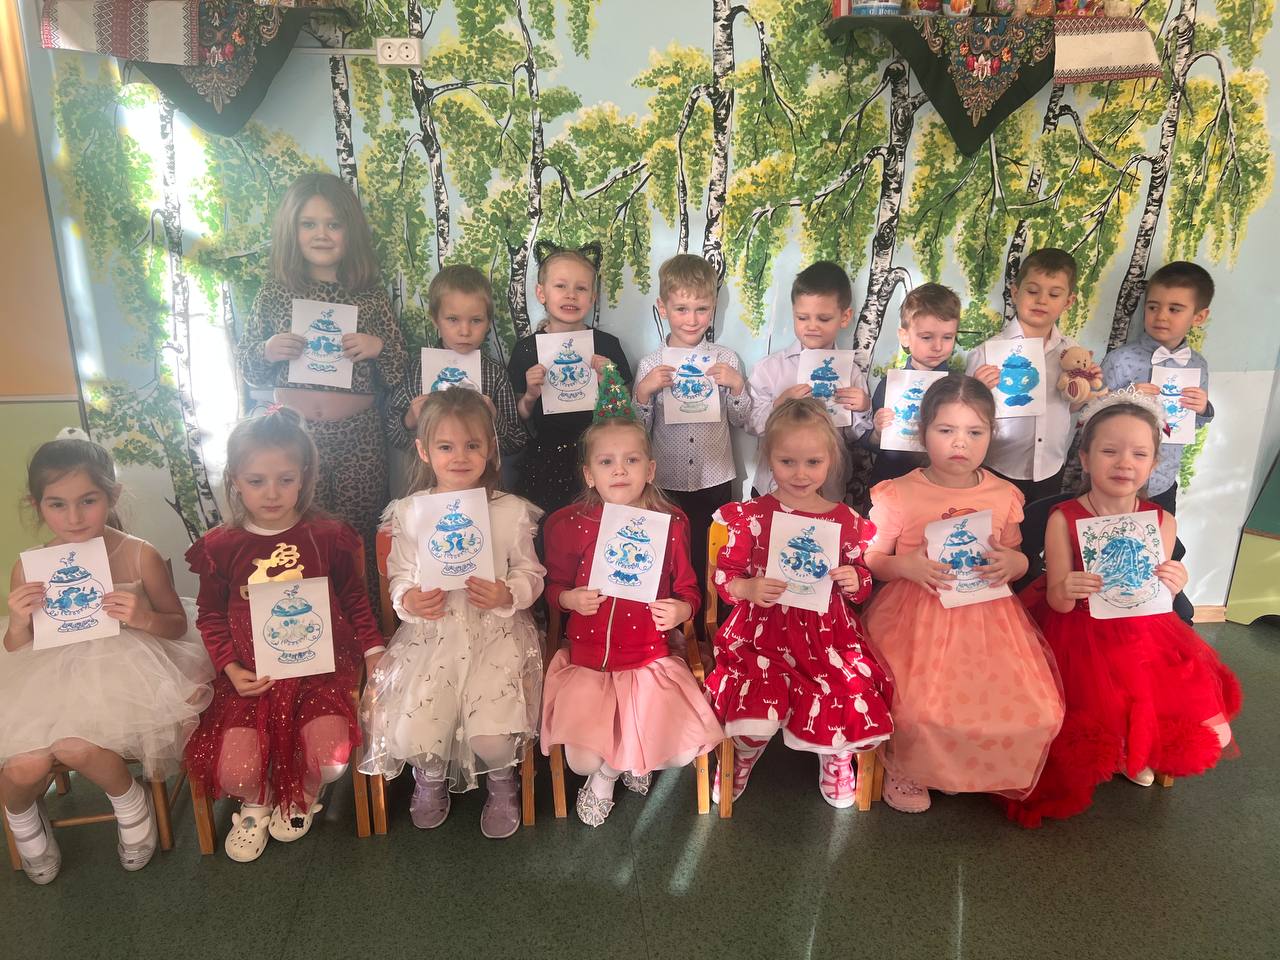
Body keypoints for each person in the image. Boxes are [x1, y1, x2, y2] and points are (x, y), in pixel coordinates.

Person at [1002, 390, 1241, 828]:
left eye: (1139, 454)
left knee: (1148, 675)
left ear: (1153, 464)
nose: (1124, 463)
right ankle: (1113, 748)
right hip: (1076, 626)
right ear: (1086, 458)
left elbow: (1157, 598)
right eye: (1109, 451)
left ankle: (1138, 746)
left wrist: (1175, 581)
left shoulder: (1161, 521)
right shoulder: (1063, 517)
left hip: (1142, 626)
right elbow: (1056, 598)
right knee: (1090, 689)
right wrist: (1067, 587)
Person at [1, 431, 212, 883]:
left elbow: (177, 624)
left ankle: (130, 802)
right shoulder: (30, 565)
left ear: (112, 496)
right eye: (57, 504)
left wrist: (142, 617)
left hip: (124, 671)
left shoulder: (138, 554)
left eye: (88, 500)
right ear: (37, 505)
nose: (74, 517)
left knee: (75, 746)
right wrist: (18, 623)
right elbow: (16, 646)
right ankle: (22, 818)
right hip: (44, 677)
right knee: (24, 764)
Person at [184, 409, 383, 862]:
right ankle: (257, 800)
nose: (271, 493)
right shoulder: (221, 545)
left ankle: (304, 791)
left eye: (285, 480)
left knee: (331, 761)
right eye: (256, 481)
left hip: (319, 672)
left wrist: (373, 647)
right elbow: (210, 615)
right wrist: (230, 668)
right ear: (235, 480)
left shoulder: (327, 536)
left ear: (304, 477)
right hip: (252, 676)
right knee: (236, 774)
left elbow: (355, 599)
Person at [862, 375, 1064, 813]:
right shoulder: (900, 492)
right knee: (916, 705)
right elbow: (873, 557)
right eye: (946, 430)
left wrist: (1015, 564)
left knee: (1015, 703)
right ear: (923, 432)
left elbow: (1014, 555)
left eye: (975, 432)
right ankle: (908, 768)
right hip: (915, 613)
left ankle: (954, 764)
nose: (960, 443)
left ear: (992, 434)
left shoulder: (1004, 494)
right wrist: (904, 565)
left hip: (987, 613)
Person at [539, 366, 723, 827]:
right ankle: (624, 759)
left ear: (650, 469)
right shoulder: (570, 524)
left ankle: (610, 771)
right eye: (606, 462)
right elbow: (553, 587)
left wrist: (682, 608)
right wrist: (569, 600)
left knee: (680, 752)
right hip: (590, 662)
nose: (619, 470)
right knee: (579, 758)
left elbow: (688, 588)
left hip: (647, 659)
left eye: (632, 460)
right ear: (589, 473)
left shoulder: (671, 523)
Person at [359, 390, 544, 839]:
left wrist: (508, 592)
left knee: (492, 736)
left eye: (472, 445)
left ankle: (502, 780)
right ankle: (429, 776)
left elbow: (531, 573)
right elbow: (399, 575)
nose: (459, 457)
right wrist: (408, 600)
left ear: (490, 449)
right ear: (424, 451)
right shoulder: (410, 512)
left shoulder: (509, 511)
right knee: (416, 731)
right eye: (446, 446)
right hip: (432, 633)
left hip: (495, 632)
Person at [705, 397, 893, 809]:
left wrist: (854, 580)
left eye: (813, 462)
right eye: (787, 461)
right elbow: (725, 576)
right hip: (762, 632)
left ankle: (836, 757)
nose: (800, 473)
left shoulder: (846, 521)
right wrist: (747, 589)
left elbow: (862, 582)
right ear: (769, 459)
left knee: (842, 688)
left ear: (830, 461)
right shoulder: (753, 516)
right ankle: (744, 755)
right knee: (755, 701)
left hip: (827, 635)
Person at [234, 172, 408, 599]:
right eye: (309, 224)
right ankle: (305, 621)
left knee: (358, 537)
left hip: (359, 440)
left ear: (350, 231)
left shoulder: (368, 296)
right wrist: (268, 351)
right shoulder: (276, 292)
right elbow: (249, 369)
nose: (322, 234)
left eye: (333, 224)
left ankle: (364, 622)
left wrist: (378, 347)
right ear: (292, 231)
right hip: (293, 439)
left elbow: (398, 372)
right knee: (295, 534)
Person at [633, 253, 751, 603]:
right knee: (670, 556)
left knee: (711, 555)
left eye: (701, 309)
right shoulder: (650, 364)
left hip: (715, 479)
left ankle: (706, 619)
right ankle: (673, 618)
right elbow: (638, 432)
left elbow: (741, 421)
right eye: (682, 309)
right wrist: (643, 393)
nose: (692, 319)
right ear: (663, 308)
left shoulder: (726, 359)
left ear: (712, 308)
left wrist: (738, 386)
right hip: (666, 480)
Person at [507, 242, 631, 515]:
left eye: (581, 288)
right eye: (561, 286)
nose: (571, 295)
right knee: (549, 528)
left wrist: (609, 382)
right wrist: (530, 395)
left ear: (593, 297)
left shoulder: (607, 345)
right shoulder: (526, 350)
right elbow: (520, 416)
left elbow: (626, 412)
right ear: (541, 293)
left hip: (602, 457)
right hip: (546, 459)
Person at [384, 265, 527, 496]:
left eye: (476, 320)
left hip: (482, 489)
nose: (464, 331)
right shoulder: (417, 370)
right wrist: (410, 419)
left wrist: (494, 416)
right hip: (427, 487)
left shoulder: (495, 374)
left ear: (488, 322)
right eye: (453, 319)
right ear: (435, 320)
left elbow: (515, 443)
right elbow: (393, 436)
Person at [966, 248, 1095, 502]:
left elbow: (1071, 407)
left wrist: (1084, 387)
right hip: (998, 467)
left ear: (1068, 302)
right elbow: (966, 415)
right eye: (1033, 291)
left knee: (1038, 525)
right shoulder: (987, 353)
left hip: (1050, 468)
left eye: (1054, 294)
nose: (1042, 300)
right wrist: (977, 389)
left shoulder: (1071, 352)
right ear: (1016, 293)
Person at [745, 261, 872, 501]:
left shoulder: (851, 373)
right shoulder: (770, 368)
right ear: (793, 313)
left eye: (823, 318)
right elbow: (750, 424)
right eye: (803, 317)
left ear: (845, 317)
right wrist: (778, 405)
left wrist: (863, 409)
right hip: (771, 489)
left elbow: (855, 437)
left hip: (827, 492)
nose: (812, 326)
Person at [1099, 261, 1216, 515]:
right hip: (1116, 480)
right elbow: (1091, 417)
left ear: (1199, 317)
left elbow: (1193, 424)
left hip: (1163, 481)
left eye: (1174, 309)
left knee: (1161, 539)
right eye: (1153, 307)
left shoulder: (1198, 365)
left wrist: (1203, 409)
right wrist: (1125, 399)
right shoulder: (1120, 360)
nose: (1161, 316)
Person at [864, 283, 961, 487]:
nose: (938, 346)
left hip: (941, 486)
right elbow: (870, 444)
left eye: (947, 337)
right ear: (904, 336)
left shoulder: (959, 387)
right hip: (892, 482)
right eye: (927, 337)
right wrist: (878, 433)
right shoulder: (890, 384)